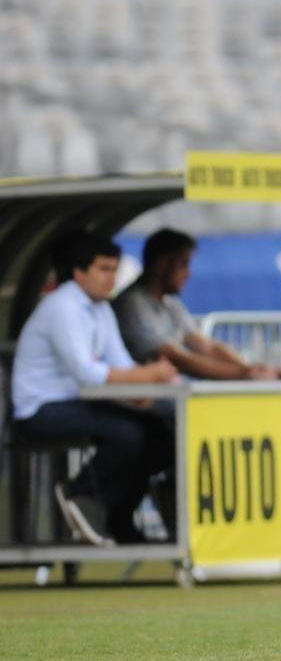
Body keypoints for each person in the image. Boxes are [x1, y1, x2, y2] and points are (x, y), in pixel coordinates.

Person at [10, 230, 178, 545]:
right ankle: (80, 494)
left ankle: (118, 518)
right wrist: (148, 376)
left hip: (79, 403)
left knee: (160, 436)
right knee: (128, 434)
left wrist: (147, 384)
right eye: (103, 269)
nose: (110, 278)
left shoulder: (101, 309)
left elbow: (122, 364)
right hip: (41, 408)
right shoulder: (62, 307)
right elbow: (86, 373)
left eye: (114, 270)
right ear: (78, 273)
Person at [113, 228, 281, 380]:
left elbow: (205, 346)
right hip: (143, 397)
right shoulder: (132, 304)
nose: (188, 273)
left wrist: (253, 370)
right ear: (161, 264)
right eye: (184, 264)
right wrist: (244, 373)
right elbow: (175, 357)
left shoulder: (170, 303)